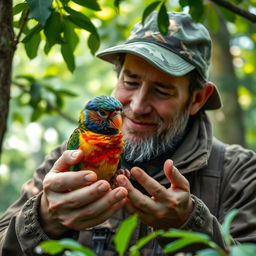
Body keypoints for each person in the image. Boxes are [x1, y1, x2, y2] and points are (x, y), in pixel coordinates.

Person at [1, 11, 256, 256]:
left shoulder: (240, 174)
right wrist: (44, 219)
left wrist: (192, 223)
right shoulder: (66, 160)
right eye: (130, 82)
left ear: (198, 98)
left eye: (162, 90)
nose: (136, 106)